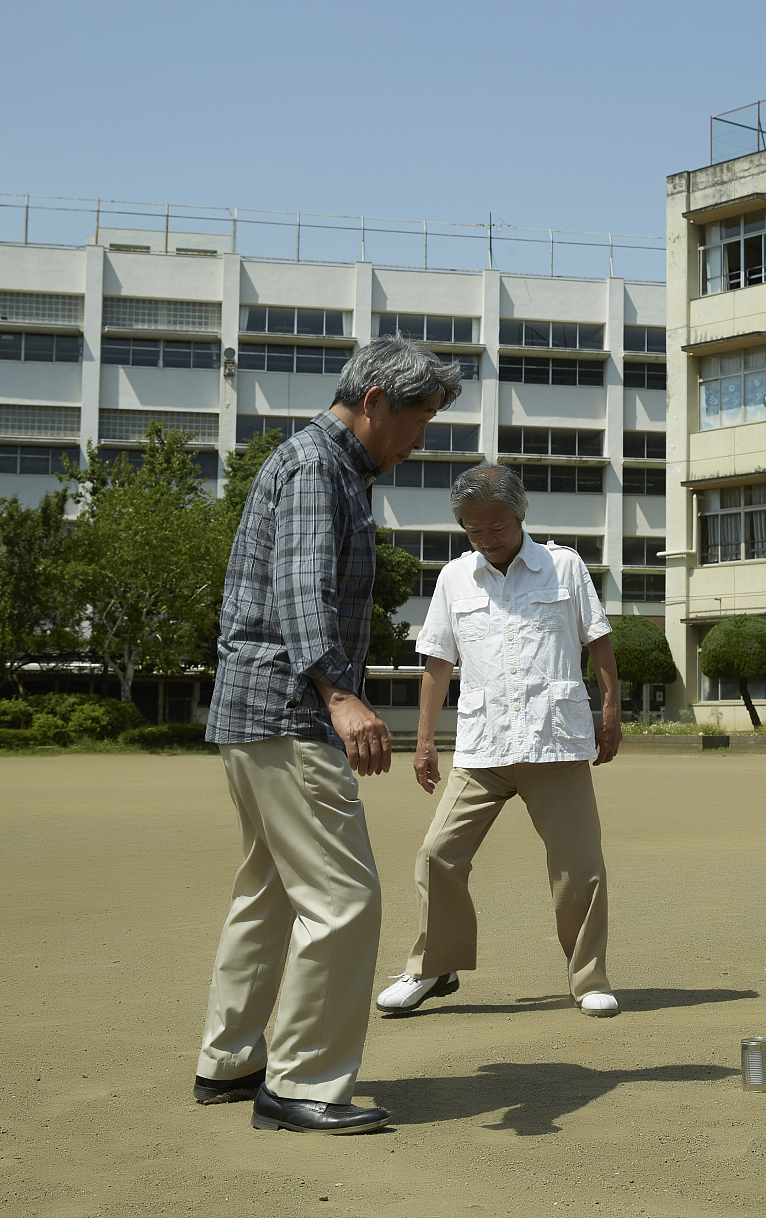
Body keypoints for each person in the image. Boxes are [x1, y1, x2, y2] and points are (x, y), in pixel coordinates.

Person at [193, 337, 463, 1136]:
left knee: (269, 890)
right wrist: (340, 694)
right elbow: (302, 589)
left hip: (254, 711)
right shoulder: (318, 466)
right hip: (291, 709)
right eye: (419, 420)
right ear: (375, 401)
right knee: (344, 898)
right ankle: (301, 1080)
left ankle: (231, 1058)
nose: (421, 441)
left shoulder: (321, 464)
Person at [374, 463, 624, 1018]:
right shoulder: (454, 578)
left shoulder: (564, 566)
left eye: (496, 527)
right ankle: (434, 968)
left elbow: (598, 643)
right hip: (483, 745)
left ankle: (589, 978)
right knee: (437, 854)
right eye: (473, 530)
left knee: (579, 867)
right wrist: (423, 743)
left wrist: (610, 711)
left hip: (553, 742)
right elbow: (437, 664)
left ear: (520, 514)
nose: (485, 539)